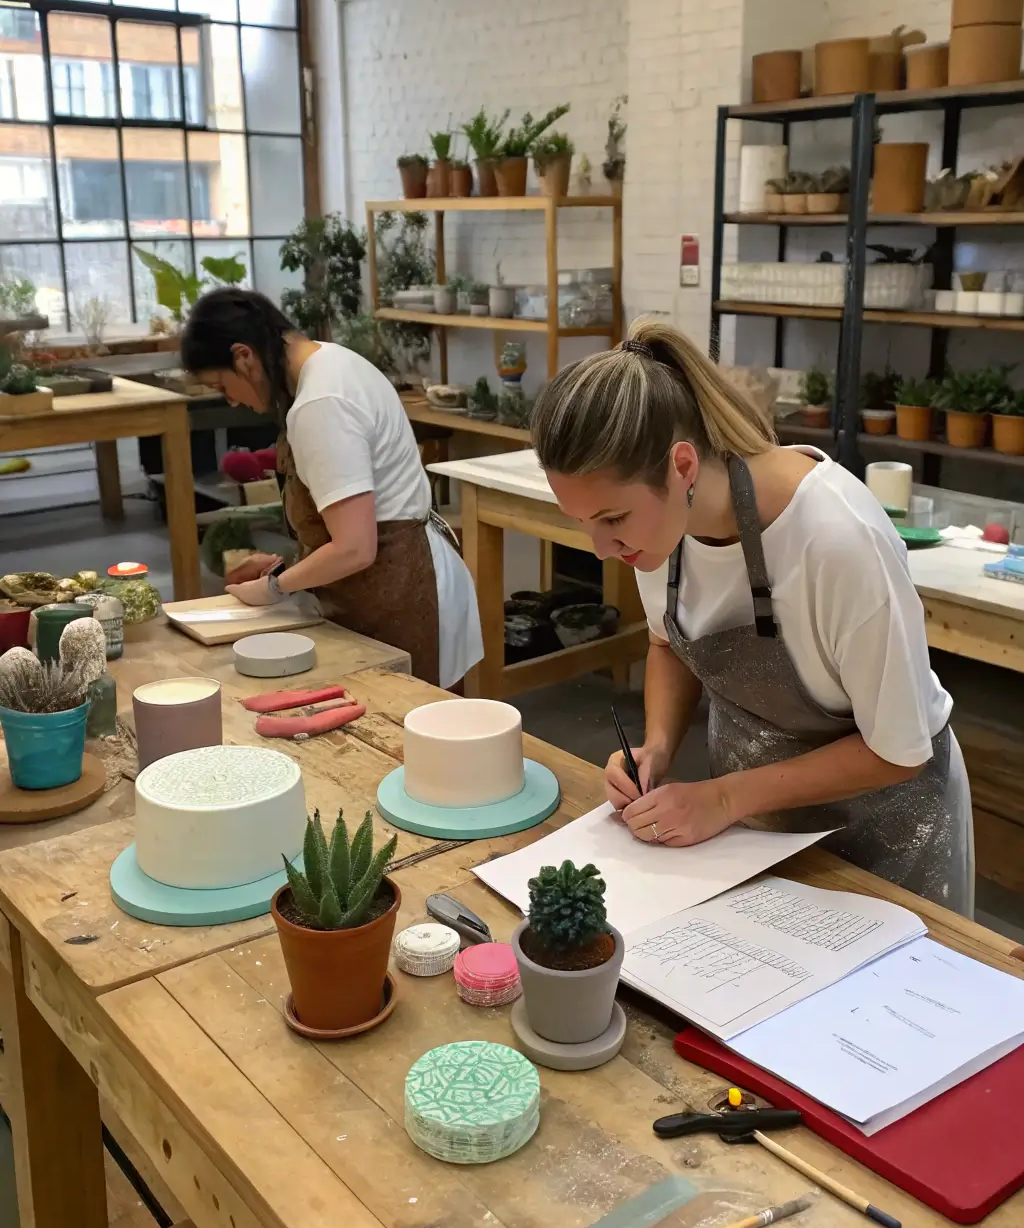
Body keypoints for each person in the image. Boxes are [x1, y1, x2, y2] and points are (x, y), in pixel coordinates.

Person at [531, 316, 973, 915]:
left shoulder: (836, 538)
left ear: (682, 467)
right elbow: (669, 642)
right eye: (582, 522)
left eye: (610, 520)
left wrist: (723, 799)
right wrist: (657, 748)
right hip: (750, 828)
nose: (600, 547)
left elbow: (897, 750)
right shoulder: (656, 532)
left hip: (889, 830)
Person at [181, 288, 482, 688]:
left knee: (407, 733)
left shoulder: (321, 402)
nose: (232, 402)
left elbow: (355, 546)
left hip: (399, 591)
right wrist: (288, 567)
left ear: (244, 356)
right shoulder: (331, 361)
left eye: (222, 387)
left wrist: (273, 588)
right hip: (394, 576)